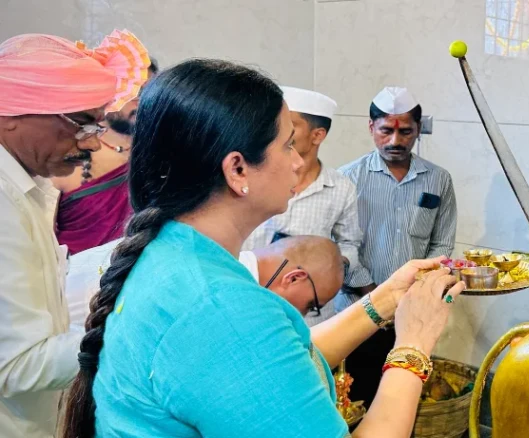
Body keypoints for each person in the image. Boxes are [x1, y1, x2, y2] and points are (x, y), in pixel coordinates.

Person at [61, 59, 464, 438]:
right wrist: (414, 344)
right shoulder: (220, 308)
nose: (298, 163)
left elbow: (274, 364)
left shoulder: (175, 253)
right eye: (288, 145)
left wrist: (383, 300)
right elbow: (248, 347)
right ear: (237, 169)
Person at [0, 31, 148, 438]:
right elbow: (15, 368)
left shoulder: (26, 188)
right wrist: (133, 325)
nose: (94, 140)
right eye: (81, 123)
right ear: (12, 110)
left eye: (97, 123)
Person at [339, 86, 457, 405]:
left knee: (405, 394)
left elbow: (442, 244)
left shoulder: (438, 180)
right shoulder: (347, 179)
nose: (395, 141)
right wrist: (377, 295)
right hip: (359, 310)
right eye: (386, 130)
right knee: (358, 397)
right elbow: (343, 250)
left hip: (413, 312)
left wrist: (413, 297)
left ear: (418, 129)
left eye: (405, 131)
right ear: (371, 128)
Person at [243, 86, 363, 325]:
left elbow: (351, 244)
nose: (279, 133)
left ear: (317, 135)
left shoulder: (340, 187)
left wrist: (327, 261)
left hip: (310, 316)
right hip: (252, 299)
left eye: (291, 126)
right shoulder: (253, 175)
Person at [65, 235, 345, 331]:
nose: (304, 316)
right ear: (294, 277)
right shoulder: (218, 289)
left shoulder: (211, 256)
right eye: (312, 305)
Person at [52, 59, 158, 255]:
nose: (140, 101)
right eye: (131, 92)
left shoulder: (160, 151)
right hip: (80, 280)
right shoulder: (68, 158)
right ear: (103, 96)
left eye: (148, 92)